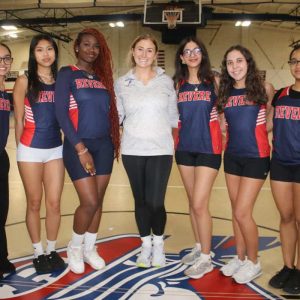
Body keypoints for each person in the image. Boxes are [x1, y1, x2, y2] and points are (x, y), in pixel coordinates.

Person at [55, 28, 120, 274]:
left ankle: (90, 248)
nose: (91, 50)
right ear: (77, 47)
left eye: (96, 46)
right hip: (78, 146)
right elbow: (61, 113)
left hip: (104, 145)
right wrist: (81, 148)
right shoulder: (66, 74)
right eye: (86, 45)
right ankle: (74, 247)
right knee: (89, 201)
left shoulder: (103, 78)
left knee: (99, 201)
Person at [115, 34, 178, 268]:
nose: (144, 54)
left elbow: (174, 116)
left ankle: (159, 245)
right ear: (133, 51)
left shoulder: (166, 81)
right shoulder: (122, 83)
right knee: (140, 201)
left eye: (149, 50)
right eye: (139, 49)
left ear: (155, 54)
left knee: (155, 202)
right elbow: (118, 117)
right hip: (132, 149)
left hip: (161, 150)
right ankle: (145, 246)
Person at [218, 45, 274, 284]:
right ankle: (240, 258)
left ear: (248, 63)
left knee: (243, 212)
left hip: (256, 156)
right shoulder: (225, 92)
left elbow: (270, 118)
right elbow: (223, 124)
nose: (235, 66)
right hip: (232, 156)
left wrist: (262, 131)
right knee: (235, 211)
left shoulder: (264, 88)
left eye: (239, 61)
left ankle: (254, 262)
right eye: (230, 63)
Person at [13, 34, 65, 274]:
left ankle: (52, 250)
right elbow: (20, 119)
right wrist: (20, 151)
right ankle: (37, 252)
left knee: (54, 203)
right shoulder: (24, 81)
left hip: (56, 149)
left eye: (50, 49)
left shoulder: (61, 80)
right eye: (40, 50)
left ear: (55, 52)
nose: (46, 54)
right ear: (33, 54)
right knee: (34, 202)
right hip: (30, 150)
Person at [173, 36, 222, 279]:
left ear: (202, 54)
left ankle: (206, 258)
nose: (192, 54)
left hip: (208, 149)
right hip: (184, 149)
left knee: (201, 204)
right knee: (192, 202)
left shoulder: (214, 81)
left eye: (197, 50)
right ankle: (198, 246)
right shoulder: (177, 85)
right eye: (187, 51)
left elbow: (226, 111)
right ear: (181, 57)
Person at [268, 44, 300, 294]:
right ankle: (289, 267)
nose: (297, 65)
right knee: (287, 218)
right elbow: (265, 125)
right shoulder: (280, 95)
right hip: (279, 163)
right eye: (294, 61)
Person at [0, 43, 15, 277]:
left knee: (1, 211)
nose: (3, 63)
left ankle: (2, 258)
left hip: (1, 156)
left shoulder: (5, 91)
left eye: (6, 59)